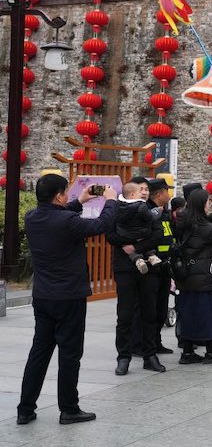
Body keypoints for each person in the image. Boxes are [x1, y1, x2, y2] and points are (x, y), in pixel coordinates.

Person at [17, 174, 118, 425]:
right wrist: (111, 201)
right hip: (69, 296)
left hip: (43, 296)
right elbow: (100, 226)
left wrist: (79, 201)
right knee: (70, 354)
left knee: (39, 352)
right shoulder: (67, 221)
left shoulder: (32, 218)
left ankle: (25, 409)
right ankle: (69, 409)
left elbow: (58, 219)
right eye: (66, 194)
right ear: (60, 195)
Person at [108, 181, 166, 376]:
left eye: (146, 190)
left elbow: (157, 235)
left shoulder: (151, 212)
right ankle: (123, 357)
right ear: (131, 192)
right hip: (124, 267)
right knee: (124, 314)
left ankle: (150, 355)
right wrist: (128, 243)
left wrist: (135, 247)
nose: (144, 192)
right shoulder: (118, 208)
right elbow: (110, 234)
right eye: (141, 189)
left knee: (149, 311)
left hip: (148, 267)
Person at [175, 189, 212, 364]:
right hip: (200, 279)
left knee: (188, 315)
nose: (210, 203)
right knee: (209, 315)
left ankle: (187, 352)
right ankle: (211, 351)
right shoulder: (200, 227)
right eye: (208, 202)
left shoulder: (185, 220)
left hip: (187, 277)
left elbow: (204, 225)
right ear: (201, 204)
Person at [146, 178, 175, 353]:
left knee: (161, 307)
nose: (169, 194)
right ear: (159, 193)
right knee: (151, 309)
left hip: (165, 265)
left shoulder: (164, 213)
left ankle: (156, 341)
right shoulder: (148, 212)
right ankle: (147, 344)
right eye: (167, 191)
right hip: (152, 267)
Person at [115, 182, 161, 274]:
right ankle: (152, 256)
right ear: (132, 195)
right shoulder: (141, 206)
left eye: (146, 189)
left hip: (124, 234)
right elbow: (150, 217)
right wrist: (157, 212)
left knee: (129, 247)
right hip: (141, 233)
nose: (142, 193)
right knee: (144, 239)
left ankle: (138, 260)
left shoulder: (119, 206)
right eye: (140, 191)